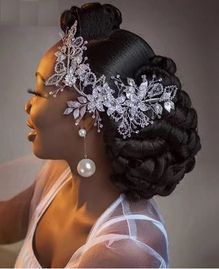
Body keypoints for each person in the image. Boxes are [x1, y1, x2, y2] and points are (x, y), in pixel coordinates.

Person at [0, 2, 201, 268]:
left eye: (37, 93)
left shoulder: (124, 249)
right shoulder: (57, 175)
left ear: (83, 116)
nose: (28, 106)